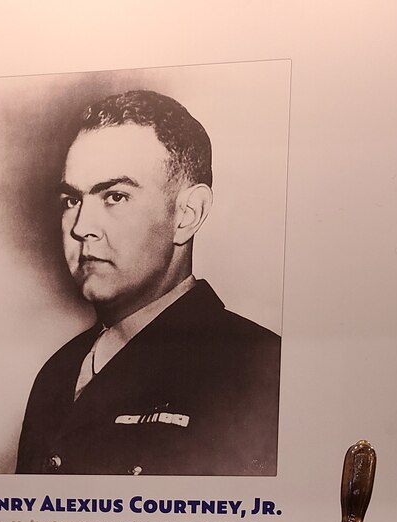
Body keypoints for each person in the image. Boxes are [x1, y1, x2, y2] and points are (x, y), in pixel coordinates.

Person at [15, 90, 281, 476]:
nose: (81, 227)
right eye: (71, 200)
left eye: (115, 196)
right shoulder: (56, 373)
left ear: (187, 214)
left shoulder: (260, 368)